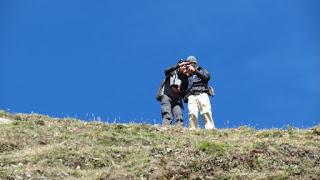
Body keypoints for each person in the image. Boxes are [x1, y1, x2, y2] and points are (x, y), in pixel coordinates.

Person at [184, 56, 216, 129]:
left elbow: (207, 77)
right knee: (192, 113)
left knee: (206, 111)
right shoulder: (186, 75)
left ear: (194, 63)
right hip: (191, 95)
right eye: (188, 64)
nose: (190, 65)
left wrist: (195, 71)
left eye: (191, 63)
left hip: (202, 93)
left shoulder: (202, 70)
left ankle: (210, 129)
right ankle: (193, 130)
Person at [156, 60, 189, 127]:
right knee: (166, 113)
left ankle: (179, 130)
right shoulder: (172, 72)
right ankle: (166, 127)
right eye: (182, 65)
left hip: (177, 99)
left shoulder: (185, 77)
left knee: (179, 115)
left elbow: (184, 90)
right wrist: (178, 65)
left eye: (185, 66)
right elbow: (166, 71)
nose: (184, 67)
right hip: (166, 96)